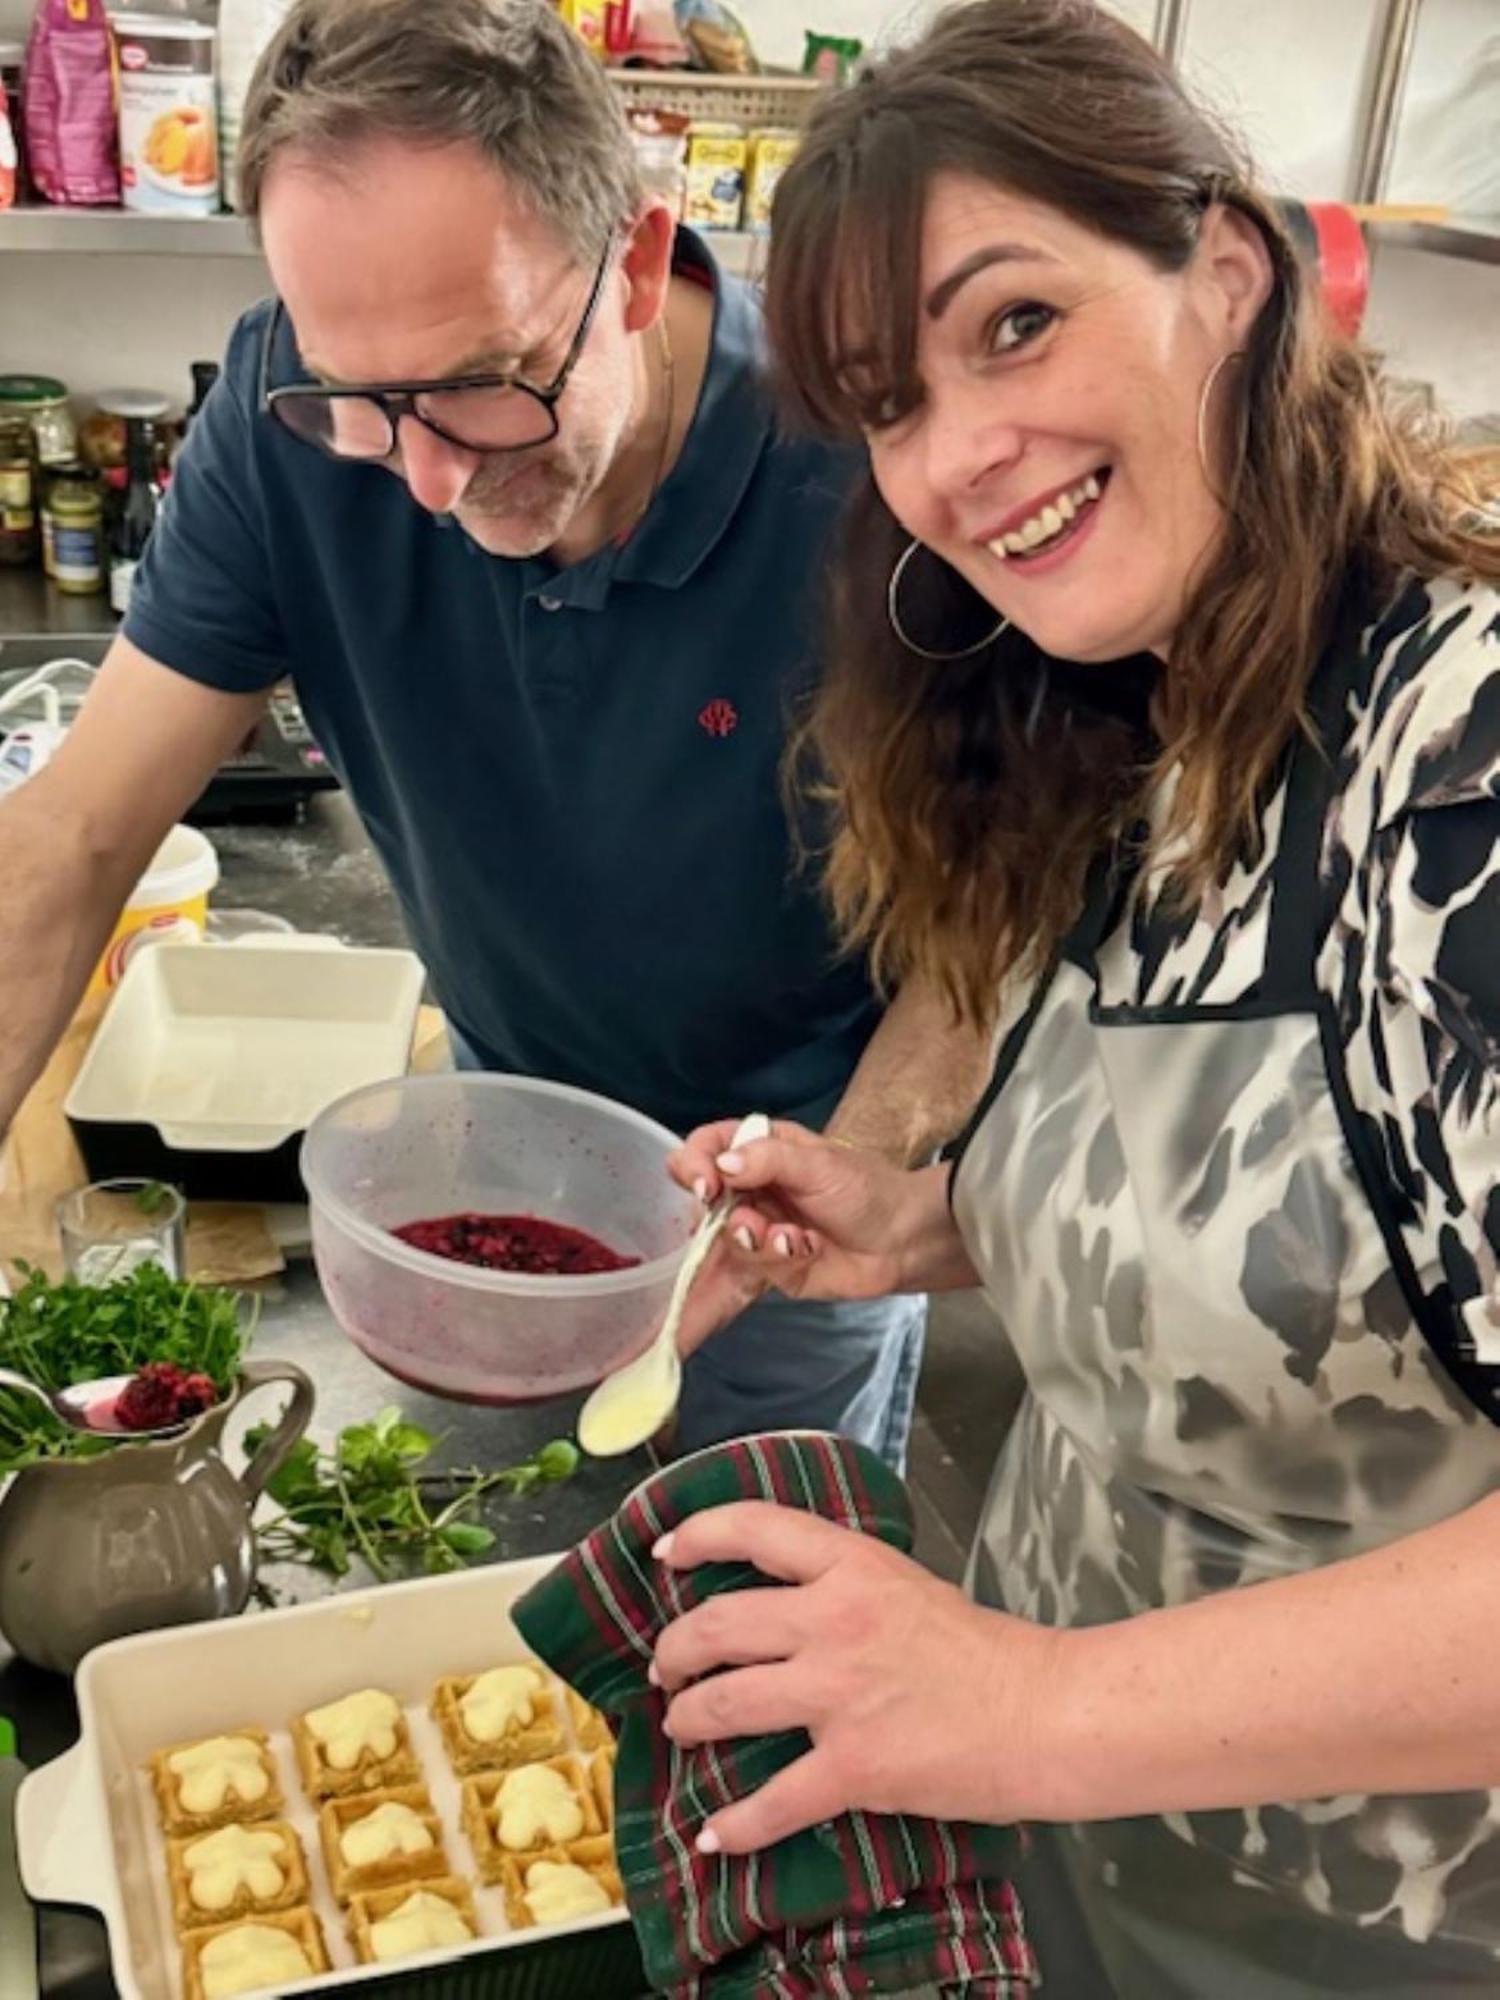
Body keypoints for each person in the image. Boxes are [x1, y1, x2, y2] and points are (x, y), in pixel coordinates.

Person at [651, 3, 1500, 1993]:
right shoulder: (1142, 711)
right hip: (1059, 1844)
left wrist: (1027, 1707)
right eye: (886, 402)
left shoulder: (1457, 763)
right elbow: (1324, 1246)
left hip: (1350, 1932)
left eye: (1012, 324)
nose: (955, 458)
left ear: (1224, 273)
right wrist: (938, 1218)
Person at [0, 0, 990, 1466]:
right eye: (363, 399)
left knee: (758, 1628)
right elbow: (67, 841)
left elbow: (985, 926)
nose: (425, 482)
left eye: (485, 385)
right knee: (482, 1596)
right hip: (496, 1160)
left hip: (799, 1194)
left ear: (640, 264)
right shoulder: (288, 430)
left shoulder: (872, 485)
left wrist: (843, 1171)